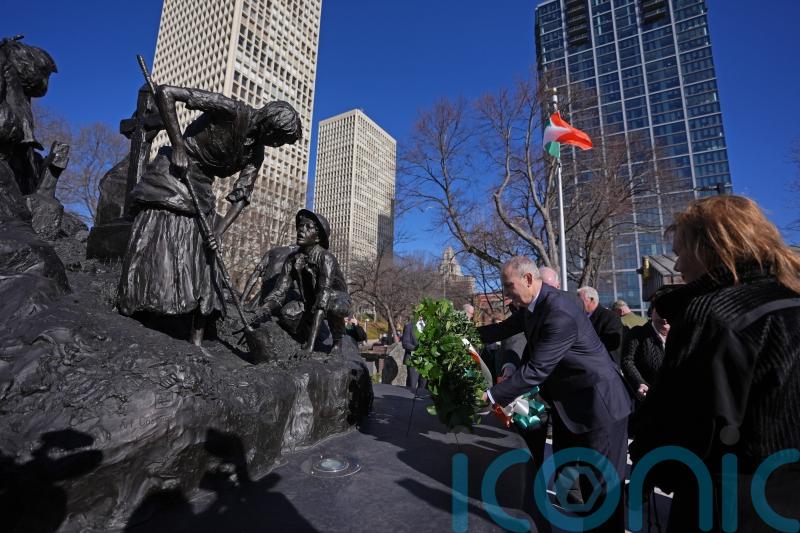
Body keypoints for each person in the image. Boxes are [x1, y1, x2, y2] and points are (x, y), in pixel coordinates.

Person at [630, 195, 800, 531]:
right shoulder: (791, 300)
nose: (678, 266)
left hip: (727, 500)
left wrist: (649, 462)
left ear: (707, 248)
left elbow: (683, 419)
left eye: (679, 252)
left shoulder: (712, 311)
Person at [117, 84, 301, 345]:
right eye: (280, 139)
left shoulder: (255, 153)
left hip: (201, 188)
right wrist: (178, 146)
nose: (278, 145)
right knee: (169, 232)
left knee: (207, 252)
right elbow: (166, 93)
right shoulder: (231, 110)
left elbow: (241, 196)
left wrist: (219, 230)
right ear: (271, 127)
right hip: (173, 173)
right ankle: (147, 307)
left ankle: (195, 333)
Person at [479, 256, 632, 533]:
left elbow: (537, 370)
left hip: (600, 407)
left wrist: (490, 396)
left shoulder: (558, 311)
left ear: (528, 279)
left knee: (603, 490)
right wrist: (462, 335)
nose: (505, 292)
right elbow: (501, 330)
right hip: (575, 406)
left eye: (508, 285)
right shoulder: (532, 307)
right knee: (586, 487)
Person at [252, 209, 351, 351]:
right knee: (287, 313)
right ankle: (306, 334)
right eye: (300, 226)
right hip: (309, 301)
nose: (301, 230)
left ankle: (337, 340)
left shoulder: (326, 258)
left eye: (308, 227)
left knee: (333, 307)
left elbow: (323, 298)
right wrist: (265, 308)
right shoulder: (292, 259)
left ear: (318, 237)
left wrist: (309, 347)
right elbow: (280, 291)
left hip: (335, 297)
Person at [620, 305, 668, 402]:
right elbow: (627, 361)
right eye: (660, 311)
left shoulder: (683, 334)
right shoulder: (637, 333)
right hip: (649, 396)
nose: (665, 318)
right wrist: (640, 382)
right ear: (652, 312)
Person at [578, 286, 624, 366]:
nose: (577, 303)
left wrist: (582, 343)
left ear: (591, 300)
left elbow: (611, 341)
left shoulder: (610, 317)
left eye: (580, 300)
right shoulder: (580, 317)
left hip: (604, 365)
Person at [402, 315, 427, 390]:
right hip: (412, 360)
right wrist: (418, 349)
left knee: (424, 387)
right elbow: (405, 343)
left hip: (426, 361)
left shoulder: (429, 327)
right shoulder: (409, 326)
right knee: (411, 385)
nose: (421, 316)